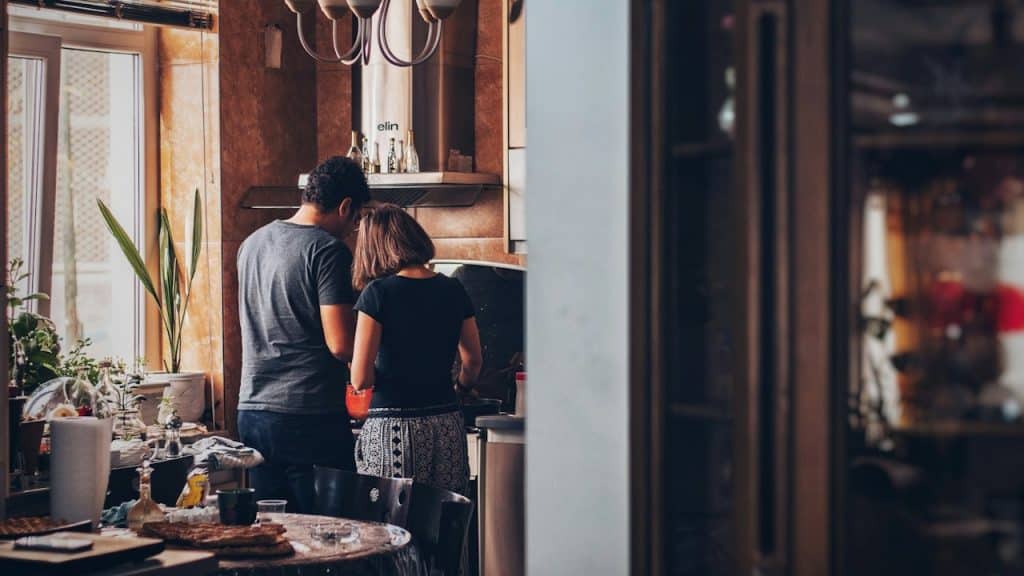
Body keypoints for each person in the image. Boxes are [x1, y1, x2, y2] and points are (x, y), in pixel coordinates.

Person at [236, 156, 369, 512]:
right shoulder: (327, 251)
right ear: (345, 207)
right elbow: (341, 345)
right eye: (356, 219)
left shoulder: (251, 244)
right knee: (333, 537)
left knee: (275, 537)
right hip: (307, 415)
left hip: (252, 411)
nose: (352, 228)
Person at [350, 205, 482, 494]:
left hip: (393, 429)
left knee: (392, 530)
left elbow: (360, 379)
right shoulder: (453, 289)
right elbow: (472, 361)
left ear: (374, 248)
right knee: (445, 523)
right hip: (446, 423)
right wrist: (460, 388)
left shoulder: (378, 294)